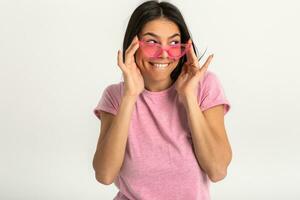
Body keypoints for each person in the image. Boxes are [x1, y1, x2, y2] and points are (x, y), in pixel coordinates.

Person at [92, 1, 232, 199]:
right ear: (133, 45)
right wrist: (130, 96)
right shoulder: (116, 96)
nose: (164, 53)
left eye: (174, 43)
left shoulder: (204, 86)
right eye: (151, 42)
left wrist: (189, 98)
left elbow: (217, 170)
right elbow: (105, 175)